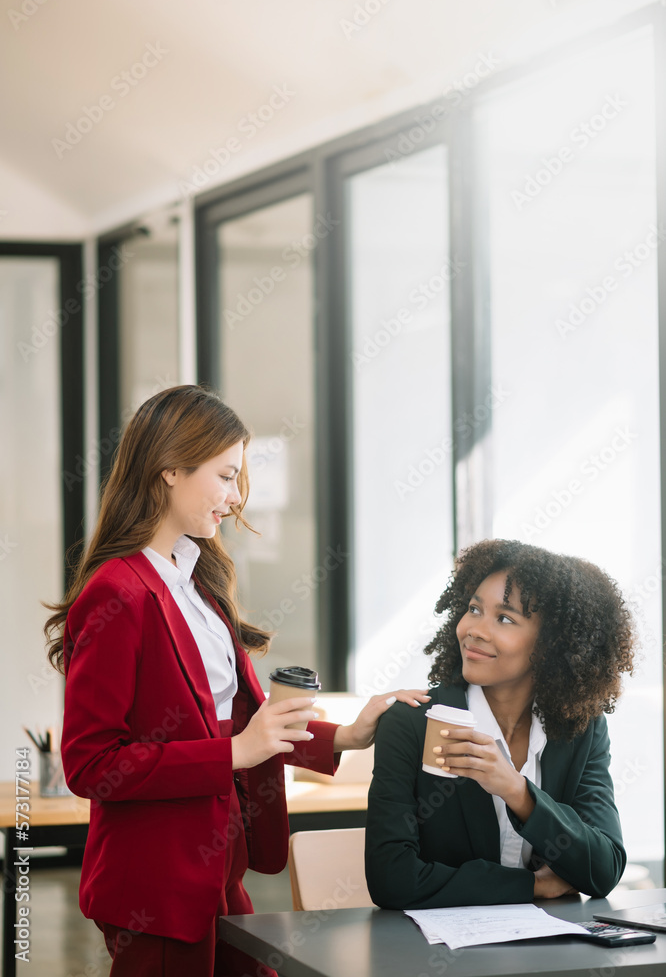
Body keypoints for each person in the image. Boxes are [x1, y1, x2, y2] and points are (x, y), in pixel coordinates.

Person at [45, 384, 429, 976]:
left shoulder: (197, 581)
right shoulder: (117, 594)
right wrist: (233, 752)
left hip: (219, 864)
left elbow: (242, 725)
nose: (235, 497)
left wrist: (346, 737)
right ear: (171, 468)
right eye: (226, 477)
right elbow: (92, 764)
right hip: (156, 885)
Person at [365, 538, 636, 909]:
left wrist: (517, 792)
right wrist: (532, 886)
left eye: (505, 618)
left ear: (553, 644)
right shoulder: (411, 722)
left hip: (547, 952)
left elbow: (603, 870)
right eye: (474, 609)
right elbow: (392, 881)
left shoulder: (580, 729)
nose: (474, 629)